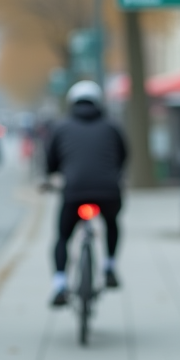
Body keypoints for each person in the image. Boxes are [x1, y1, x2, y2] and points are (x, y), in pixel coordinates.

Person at [45, 81, 128, 306]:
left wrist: (51, 177)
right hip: (108, 190)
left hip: (73, 191)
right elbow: (123, 157)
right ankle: (109, 266)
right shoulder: (112, 126)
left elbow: (51, 161)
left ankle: (60, 284)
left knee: (63, 237)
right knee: (112, 222)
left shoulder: (61, 127)